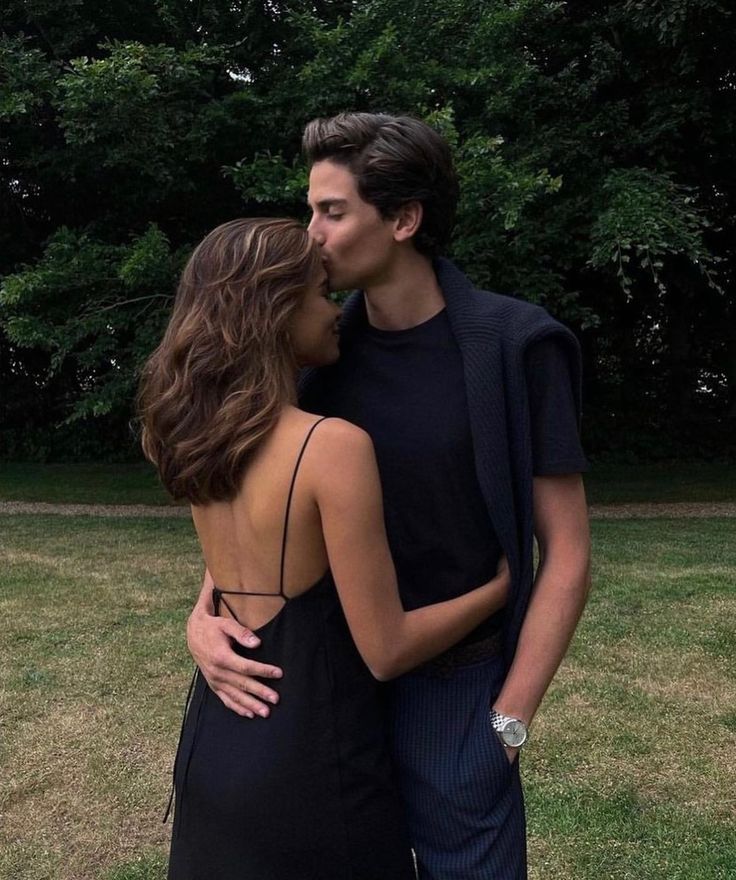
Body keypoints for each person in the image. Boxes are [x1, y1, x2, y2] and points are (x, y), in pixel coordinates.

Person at [187, 114, 592, 880]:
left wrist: (508, 720)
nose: (310, 235)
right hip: (327, 694)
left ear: (404, 219)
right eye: (310, 210)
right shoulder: (314, 355)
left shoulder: (515, 348)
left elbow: (567, 551)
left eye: (332, 213)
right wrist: (202, 614)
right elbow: (258, 508)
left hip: (457, 694)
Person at [139, 217, 511, 879]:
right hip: (314, 761)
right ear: (274, 312)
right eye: (317, 294)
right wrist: (501, 584)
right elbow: (387, 646)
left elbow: (232, 574)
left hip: (216, 737)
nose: (334, 309)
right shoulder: (329, 447)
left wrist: (198, 619)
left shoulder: (192, 434)